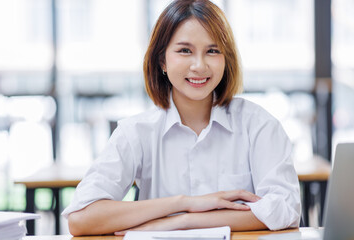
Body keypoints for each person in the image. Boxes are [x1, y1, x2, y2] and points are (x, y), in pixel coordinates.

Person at [62, 0, 301, 236]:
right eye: (185, 50)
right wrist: (183, 203)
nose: (199, 65)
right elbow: (81, 218)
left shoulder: (259, 125)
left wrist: (184, 222)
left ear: (226, 59)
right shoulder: (136, 132)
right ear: (162, 61)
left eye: (213, 51)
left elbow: (286, 210)